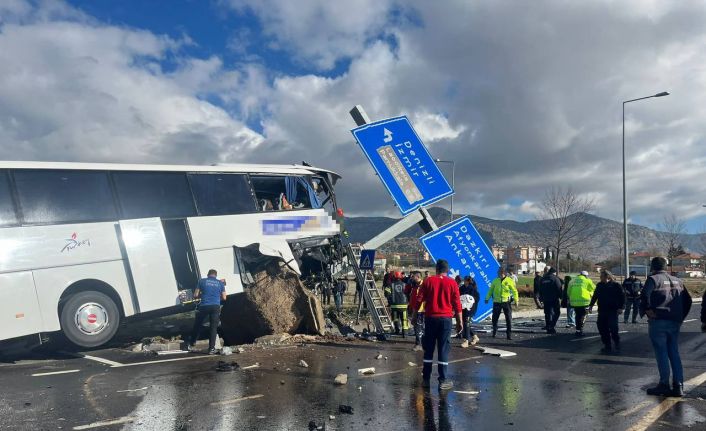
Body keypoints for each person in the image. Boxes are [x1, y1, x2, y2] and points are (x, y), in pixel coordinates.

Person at [640, 257, 692, 397]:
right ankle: (678, 386)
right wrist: (681, 317)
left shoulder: (653, 279)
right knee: (673, 352)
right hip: (675, 322)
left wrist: (648, 310)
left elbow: (644, 295)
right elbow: (688, 300)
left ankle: (664, 384)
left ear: (653, 267)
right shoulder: (678, 281)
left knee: (661, 352)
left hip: (659, 320)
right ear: (666, 266)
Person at [413, 259, 462, 391]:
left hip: (430, 319)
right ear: (447, 270)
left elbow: (419, 300)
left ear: (436, 269)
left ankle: (426, 379)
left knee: (429, 349)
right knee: (443, 349)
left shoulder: (428, 281)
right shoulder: (452, 282)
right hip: (446, 319)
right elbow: (457, 304)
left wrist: (414, 315)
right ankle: (443, 380)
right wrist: (459, 322)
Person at [189, 269, 227, 355]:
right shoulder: (220, 283)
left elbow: (195, 295)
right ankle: (211, 349)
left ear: (208, 274)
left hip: (204, 306)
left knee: (198, 324)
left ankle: (192, 342)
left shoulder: (202, 281)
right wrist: (217, 298)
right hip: (215, 307)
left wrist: (202, 295)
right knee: (213, 328)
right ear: (216, 275)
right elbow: (224, 297)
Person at [589, 270, 625, 353]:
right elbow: (595, 296)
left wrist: (621, 307)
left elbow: (622, 297)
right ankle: (607, 344)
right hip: (602, 310)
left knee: (613, 328)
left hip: (613, 310)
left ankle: (616, 342)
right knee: (602, 328)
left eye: (601, 277)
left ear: (607, 277)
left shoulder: (616, 285)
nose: (600, 278)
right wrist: (591, 305)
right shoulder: (599, 285)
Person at [485, 268, 519, 340]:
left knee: (508, 318)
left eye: (500, 273)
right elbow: (491, 290)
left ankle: (508, 334)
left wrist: (516, 300)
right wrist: (487, 298)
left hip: (506, 302)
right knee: (494, 318)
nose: (499, 274)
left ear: (504, 273)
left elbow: (514, 291)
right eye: (498, 273)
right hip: (497, 302)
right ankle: (494, 330)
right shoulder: (495, 281)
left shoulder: (509, 280)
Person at [567, 271, 595, 337]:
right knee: (583, 316)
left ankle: (578, 330)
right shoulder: (587, 280)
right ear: (586, 276)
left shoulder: (572, 281)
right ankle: (580, 330)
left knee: (577, 316)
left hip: (574, 302)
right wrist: (590, 294)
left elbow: (568, 292)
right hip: (584, 302)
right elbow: (594, 288)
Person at [405, 271, 424, 351]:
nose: (411, 278)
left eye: (413, 277)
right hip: (414, 309)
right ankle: (418, 343)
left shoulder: (424, 285)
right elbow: (407, 293)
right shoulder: (414, 285)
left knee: (420, 327)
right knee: (417, 327)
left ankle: (419, 344)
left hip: (422, 310)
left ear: (417, 277)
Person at [539, 267, 563, 334]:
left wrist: (541, 298)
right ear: (554, 272)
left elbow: (540, 289)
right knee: (557, 313)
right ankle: (551, 326)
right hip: (554, 299)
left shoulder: (543, 279)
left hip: (545, 299)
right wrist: (561, 297)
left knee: (547, 313)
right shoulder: (555, 278)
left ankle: (548, 327)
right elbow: (559, 288)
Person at [459, 276, 480, 347]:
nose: (463, 281)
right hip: (463, 308)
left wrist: (469, 299)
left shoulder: (473, 289)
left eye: (464, 280)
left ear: (467, 281)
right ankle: (474, 336)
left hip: (470, 309)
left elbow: (477, 298)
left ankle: (466, 341)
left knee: (466, 323)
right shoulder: (461, 288)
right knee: (465, 324)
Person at [389, 272, 409, 337]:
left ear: (394, 277)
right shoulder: (405, 285)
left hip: (394, 306)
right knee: (404, 319)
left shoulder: (391, 285)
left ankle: (397, 331)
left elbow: (386, 293)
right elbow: (409, 294)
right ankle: (404, 333)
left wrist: (390, 301)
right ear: (400, 277)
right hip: (404, 306)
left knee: (395, 319)